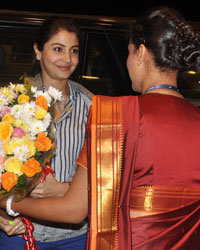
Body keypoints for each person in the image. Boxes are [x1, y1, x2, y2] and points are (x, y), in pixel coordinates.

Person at [1, 6, 200, 249]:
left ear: (141, 53)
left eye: (128, 52)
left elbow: (76, 209)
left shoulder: (113, 115)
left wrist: (9, 202)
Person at [0, 16, 92, 250]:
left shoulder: (93, 106)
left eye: (74, 50)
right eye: (58, 49)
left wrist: (65, 190)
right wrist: (2, 216)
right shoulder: (13, 103)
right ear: (38, 51)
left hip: (75, 236)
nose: (67, 59)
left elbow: (106, 178)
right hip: (20, 232)